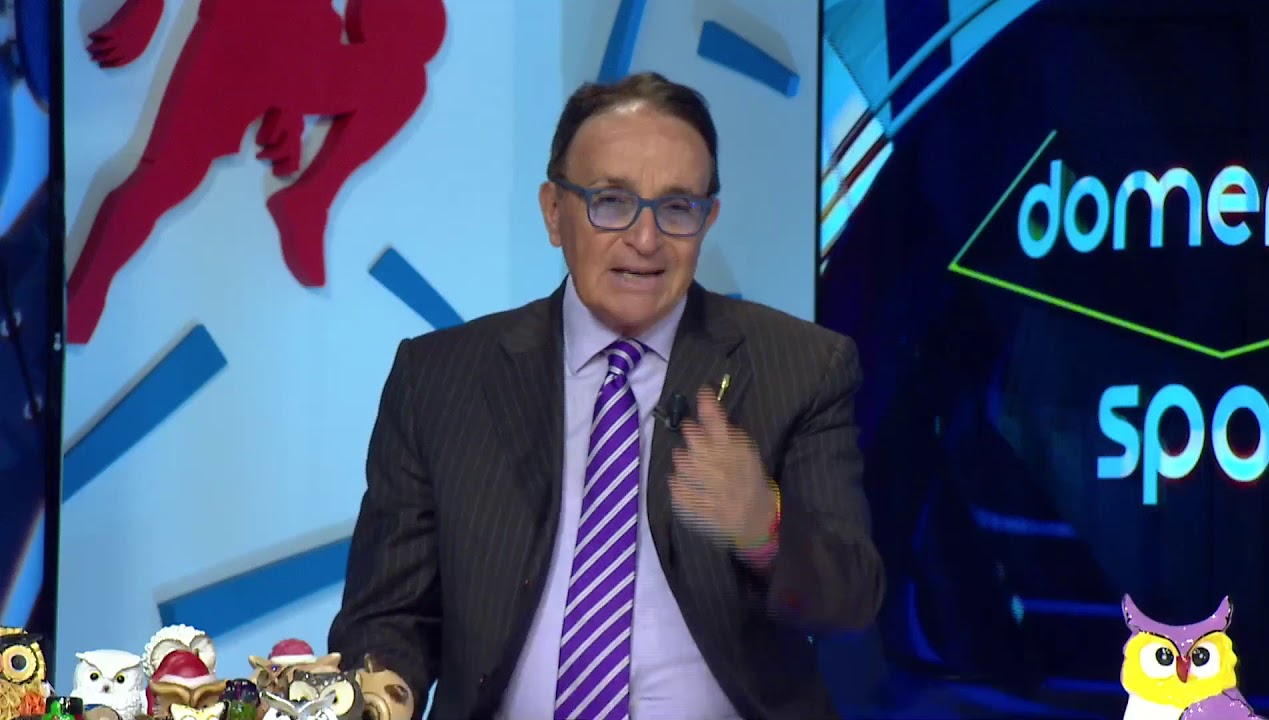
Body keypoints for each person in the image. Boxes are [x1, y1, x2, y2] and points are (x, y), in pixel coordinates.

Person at [328, 71, 885, 720]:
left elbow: (851, 599)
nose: (645, 240)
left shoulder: (801, 367)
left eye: (676, 208)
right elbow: (388, 617)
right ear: (554, 212)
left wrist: (764, 528)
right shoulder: (440, 379)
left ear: (708, 220)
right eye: (612, 203)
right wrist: (380, 702)